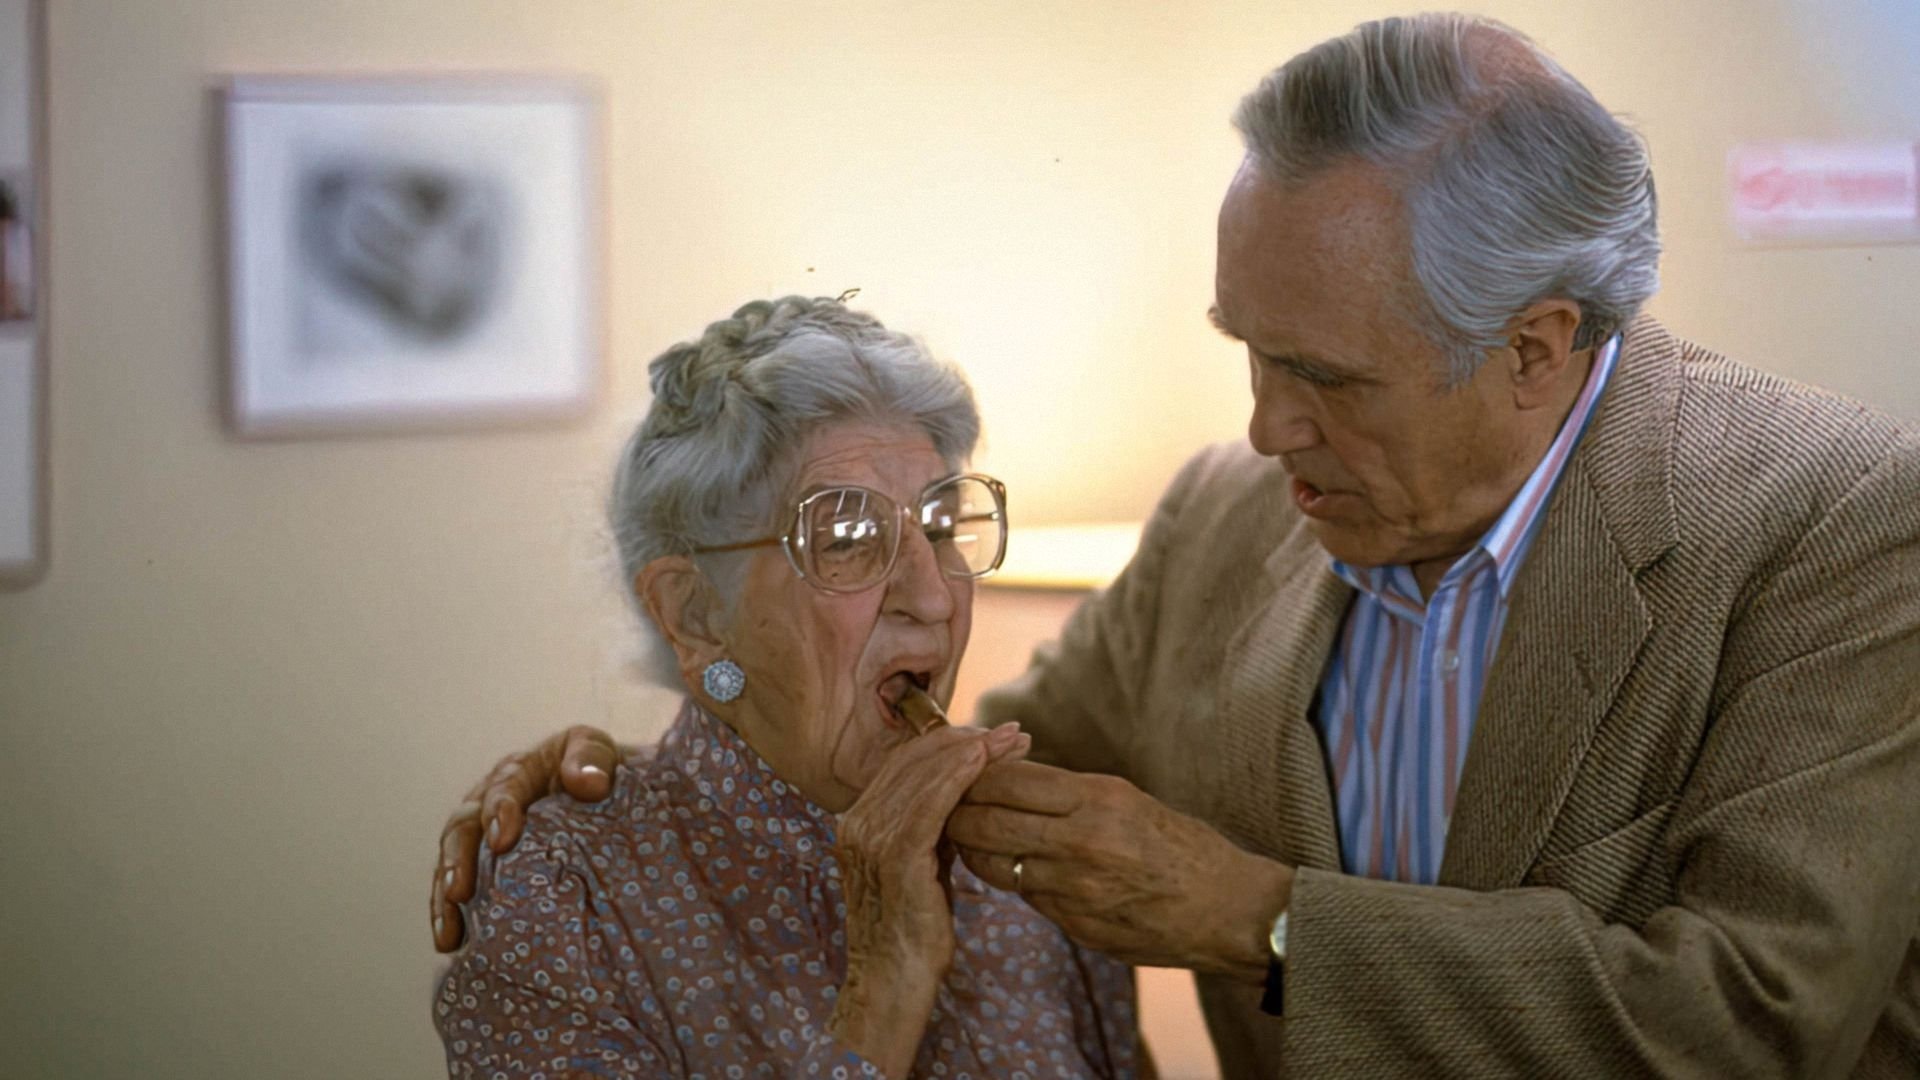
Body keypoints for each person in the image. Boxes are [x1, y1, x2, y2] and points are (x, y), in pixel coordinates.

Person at [435, 14, 1920, 1076]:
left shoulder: (1837, 519)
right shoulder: (1224, 512)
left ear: (1534, 348)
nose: (1265, 430)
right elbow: (973, 774)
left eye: (1325, 378)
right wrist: (614, 772)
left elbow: (1749, 1021)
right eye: (1248, 353)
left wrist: (1256, 916)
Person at [433, 296, 1140, 1078]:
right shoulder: (568, 892)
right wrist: (887, 978)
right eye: (845, 539)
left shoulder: (1028, 870)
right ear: (696, 614)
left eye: (939, 527)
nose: (934, 596)